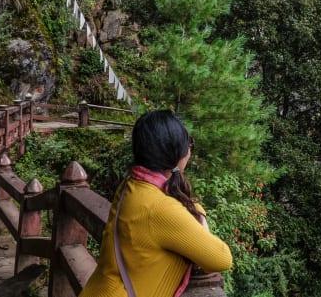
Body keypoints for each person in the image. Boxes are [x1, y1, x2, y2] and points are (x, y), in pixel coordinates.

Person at [80, 110, 232, 297]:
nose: (190, 150)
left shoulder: (131, 184)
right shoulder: (160, 209)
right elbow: (222, 259)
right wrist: (199, 214)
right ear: (177, 153)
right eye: (188, 144)